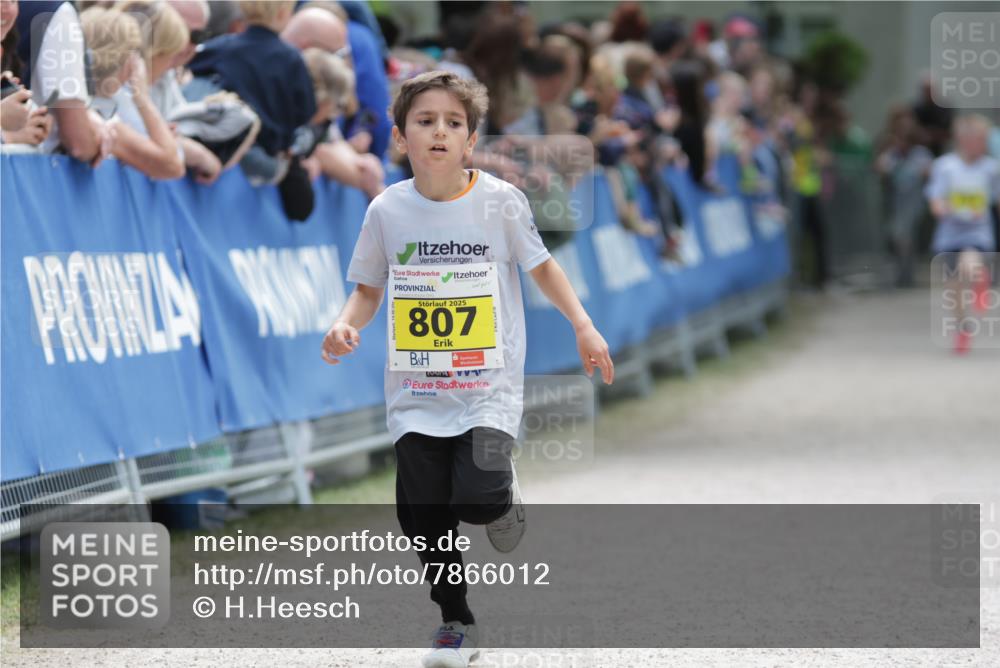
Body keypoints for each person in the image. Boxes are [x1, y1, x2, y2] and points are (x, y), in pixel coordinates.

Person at [321, 71, 614, 668]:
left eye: (453, 123)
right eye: (425, 121)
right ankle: (455, 621)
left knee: (477, 500)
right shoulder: (387, 209)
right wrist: (345, 323)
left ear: (471, 140)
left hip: (487, 388)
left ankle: (502, 496)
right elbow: (368, 289)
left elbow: (543, 267)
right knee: (421, 516)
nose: (439, 132)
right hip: (415, 393)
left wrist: (583, 325)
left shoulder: (500, 202)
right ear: (400, 137)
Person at [925, 113, 1000, 354]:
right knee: (953, 286)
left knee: (970, 262)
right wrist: (948, 208)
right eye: (980, 139)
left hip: (978, 233)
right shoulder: (945, 166)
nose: (984, 145)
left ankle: (980, 279)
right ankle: (962, 327)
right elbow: (936, 201)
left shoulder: (991, 169)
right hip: (950, 234)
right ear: (964, 140)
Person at [81, 6, 184, 180]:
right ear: (127, 62)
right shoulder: (105, 119)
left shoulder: (71, 99)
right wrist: (142, 98)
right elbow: (173, 165)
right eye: (135, 55)